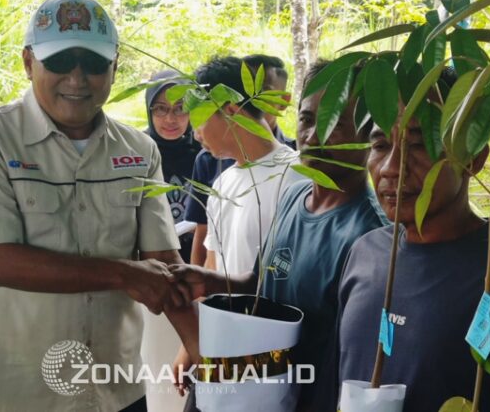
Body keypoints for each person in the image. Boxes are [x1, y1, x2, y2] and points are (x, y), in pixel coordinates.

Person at [0, 0, 186, 412]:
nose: (77, 78)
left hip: (116, 389)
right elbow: (1, 263)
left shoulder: (139, 151)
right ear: (28, 62)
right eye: (60, 61)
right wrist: (124, 273)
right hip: (20, 392)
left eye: (92, 64)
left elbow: (163, 264)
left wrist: (201, 336)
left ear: (114, 67)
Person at [327, 72, 490, 411]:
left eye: (419, 145)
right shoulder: (365, 254)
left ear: (473, 158)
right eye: (380, 145)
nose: (391, 168)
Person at [169, 61, 388, 409]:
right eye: (308, 119)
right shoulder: (293, 198)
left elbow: (357, 358)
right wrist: (207, 281)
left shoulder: (370, 236)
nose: (314, 136)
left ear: (369, 133)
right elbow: (260, 284)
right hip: (255, 383)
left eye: (336, 122)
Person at [192, 55, 300, 276]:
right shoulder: (222, 184)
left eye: (200, 119)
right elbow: (213, 266)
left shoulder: (295, 177)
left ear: (231, 111)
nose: (196, 134)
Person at [144, 70, 202, 262]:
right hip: (150, 260)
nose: (170, 119)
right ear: (149, 109)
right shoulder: (136, 151)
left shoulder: (206, 152)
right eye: (161, 108)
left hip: (200, 258)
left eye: (180, 108)